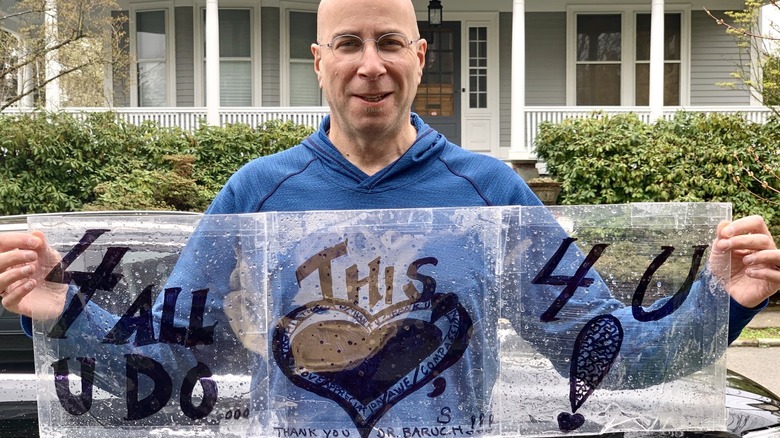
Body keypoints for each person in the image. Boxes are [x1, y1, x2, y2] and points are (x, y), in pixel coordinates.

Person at [0, 0, 779, 434]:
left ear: (420, 55)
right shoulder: (255, 195)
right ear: (318, 60)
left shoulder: (493, 195)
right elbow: (167, 368)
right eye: (348, 43)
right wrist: (62, 309)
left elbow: (609, 355)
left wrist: (723, 299)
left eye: (388, 42)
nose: (369, 63)